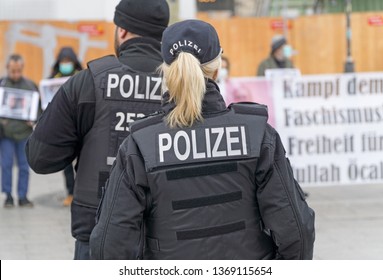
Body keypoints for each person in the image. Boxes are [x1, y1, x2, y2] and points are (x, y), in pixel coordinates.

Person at [89, 19, 315, 260]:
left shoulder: (140, 144)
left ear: (165, 69)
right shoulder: (258, 134)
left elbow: (109, 244)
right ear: (217, 68)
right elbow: (296, 231)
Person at [26, 0, 170, 259]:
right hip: (169, 235)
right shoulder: (187, 85)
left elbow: (40, 158)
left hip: (98, 235)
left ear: (122, 30)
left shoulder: (88, 82)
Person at [0, 54, 37, 208]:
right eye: (12, 71)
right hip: (6, 134)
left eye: (18, 71)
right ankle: (8, 196)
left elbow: (39, 109)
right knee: (6, 165)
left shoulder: (30, 86)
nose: (15, 74)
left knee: (24, 166)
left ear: (22, 69)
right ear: (7, 69)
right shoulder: (1, 86)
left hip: (24, 134)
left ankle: (22, 196)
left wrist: (34, 120)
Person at [49, 47, 83, 207]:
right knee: (67, 164)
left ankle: (81, 192)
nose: (66, 65)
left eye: (68, 62)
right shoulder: (53, 79)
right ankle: (70, 192)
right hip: (65, 128)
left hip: (82, 126)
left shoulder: (83, 77)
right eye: (63, 62)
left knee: (83, 161)